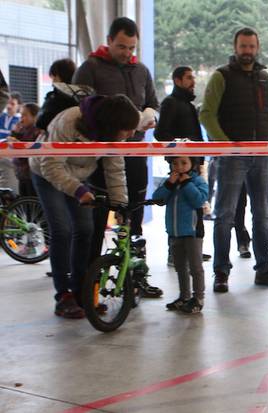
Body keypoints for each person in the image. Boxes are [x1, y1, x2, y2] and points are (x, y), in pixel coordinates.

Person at [73, 17, 161, 296]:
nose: (127, 52)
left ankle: (135, 278)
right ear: (109, 40)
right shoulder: (90, 68)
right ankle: (89, 287)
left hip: (135, 155)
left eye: (131, 47)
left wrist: (151, 116)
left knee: (134, 219)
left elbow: (154, 104)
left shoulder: (142, 70)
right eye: (121, 46)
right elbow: (79, 108)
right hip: (98, 158)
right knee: (95, 225)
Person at [30, 94, 136, 318]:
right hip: (46, 173)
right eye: (127, 130)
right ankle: (63, 296)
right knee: (62, 229)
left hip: (78, 176)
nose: (131, 134)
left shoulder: (113, 135)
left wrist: (120, 205)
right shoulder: (67, 122)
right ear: (112, 124)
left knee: (86, 229)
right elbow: (51, 166)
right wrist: (79, 191)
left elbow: (115, 169)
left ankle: (82, 291)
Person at [200, 27, 268, 291]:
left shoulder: (264, 78)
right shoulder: (220, 76)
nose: (247, 51)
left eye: (251, 46)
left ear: (257, 48)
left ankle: (264, 269)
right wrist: (227, 147)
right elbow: (207, 114)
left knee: (262, 215)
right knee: (224, 215)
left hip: (261, 157)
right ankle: (221, 273)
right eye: (243, 46)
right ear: (235, 47)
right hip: (231, 159)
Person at [154, 66, 212, 266]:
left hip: (194, 165)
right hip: (180, 165)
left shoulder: (187, 104)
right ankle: (175, 253)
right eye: (188, 78)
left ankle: (193, 250)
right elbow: (160, 134)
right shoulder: (170, 103)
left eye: (193, 77)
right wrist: (180, 150)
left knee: (196, 210)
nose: (193, 81)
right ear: (177, 80)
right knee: (179, 209)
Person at [152, 156, 208, 314]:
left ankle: (198, 298)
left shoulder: (198, 182)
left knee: (195, 267)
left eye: (184, 163)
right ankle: (184, 296)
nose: (179, 167)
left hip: (192, 232)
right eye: (175, 163)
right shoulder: (170, 182)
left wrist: (186, 184)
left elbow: (199, 201)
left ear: (193, 164)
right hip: (175, 232)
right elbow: (158, 199)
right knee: (180, 267)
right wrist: (169, 184)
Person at [36, 58, 79, 131]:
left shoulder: (56, 97)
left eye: (53, 77)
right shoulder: (81, 96)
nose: (52, 82)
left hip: (57, 138)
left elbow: (41, 123)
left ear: (57, 76)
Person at [10, 103, 42, 196]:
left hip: (31, 174)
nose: (21, 118)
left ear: (35, 116)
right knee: (24, 204)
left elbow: (30, 152)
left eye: (24, 115)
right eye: (21, 115)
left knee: (32, 204)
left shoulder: (38, 131)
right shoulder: (23, 129)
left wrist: (15, 141)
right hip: (21, 174)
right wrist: (15, 134)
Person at [0, 92, 22, 192]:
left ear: (19, 106)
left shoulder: (21, 120)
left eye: (12, 104)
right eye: (8, 103)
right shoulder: (1, 116)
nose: (9, 106)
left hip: (9, 159)